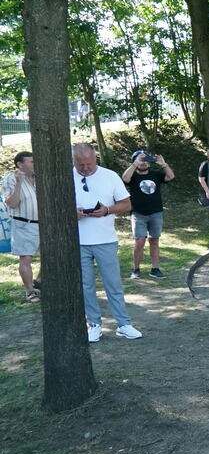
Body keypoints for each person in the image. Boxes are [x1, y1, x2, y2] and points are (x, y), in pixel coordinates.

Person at [73, 144, 142, 342]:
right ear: (74, 161)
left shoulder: (110, 176)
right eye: (80, 165)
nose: (85, 168)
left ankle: (123, 324)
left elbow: (126, 203)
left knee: (113, 284)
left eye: (89, 164)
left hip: (105, 240)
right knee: (86, 285)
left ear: (96, 159)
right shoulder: (67, 176)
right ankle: (94, 324)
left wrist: (107, 210)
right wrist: (72, 212)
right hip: (78, 242)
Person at [122, 151, 174, 279]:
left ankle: (155, 269)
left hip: (156, 213)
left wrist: (163, 164)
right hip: (138, 214)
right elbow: (125, 178)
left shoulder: (155, 175)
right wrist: (135, 164)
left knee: (154, 241)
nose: (144, 162)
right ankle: (136, 269)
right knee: (139, 241)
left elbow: (170, 176)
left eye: (146, 160)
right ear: (135, 161)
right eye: (141, 160)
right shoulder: (133, 176)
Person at [1, 152, 42, 302]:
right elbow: (11, 203)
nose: (34, 164)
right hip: (24, 223)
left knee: (52, 253)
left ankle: (39, 281)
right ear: (20, 164)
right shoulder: (10, 179)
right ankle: (30, 291)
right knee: (26, 258)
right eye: (31, 162)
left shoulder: (39, 176)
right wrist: (18, 183)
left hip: (44, 224)